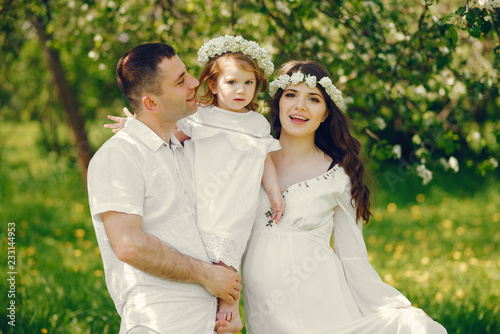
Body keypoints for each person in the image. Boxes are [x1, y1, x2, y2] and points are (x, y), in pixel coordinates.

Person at [240, 60, 448, 333]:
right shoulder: (248, 156)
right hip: (265, 313)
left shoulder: (338, 176)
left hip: (323, 309)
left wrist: (392, 304)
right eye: (291, 95)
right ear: (278, 102)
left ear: (326, 113)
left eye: (313, 99)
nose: (300, 107)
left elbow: (352, 257)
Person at [88, 43, 242, 334]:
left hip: (206, 322)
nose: (195, 83)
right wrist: (206, 275)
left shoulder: (185, 150)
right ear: (151, 103)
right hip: (158, 323)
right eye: (181, 80)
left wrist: (227, 305)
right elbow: (128, 244)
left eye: (187, 73)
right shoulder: (119, 156)